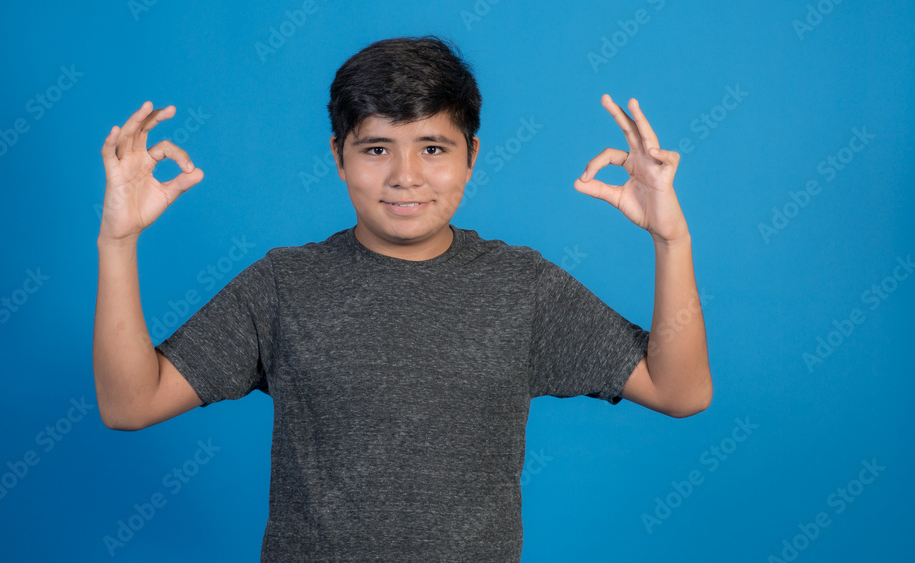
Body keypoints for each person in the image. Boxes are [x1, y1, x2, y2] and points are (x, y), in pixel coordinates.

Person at [93, 36, 711, 561]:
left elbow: (679, 392)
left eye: (433, 149)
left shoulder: (522, 286)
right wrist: (118, 241)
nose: (405, 177)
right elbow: (131, 403)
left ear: (471, 156)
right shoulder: (285, 283)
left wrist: (670, 238)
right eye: (376, 148)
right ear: (339, 157)